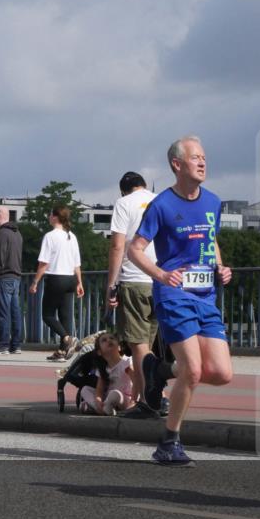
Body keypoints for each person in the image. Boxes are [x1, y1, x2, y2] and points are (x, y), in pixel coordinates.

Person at [128, 135, 233, 466]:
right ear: (177, 164)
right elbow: (134, 250)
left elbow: (211, 241)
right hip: (174, 295)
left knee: (221, 372)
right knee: (193, 371)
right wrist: (161, 275)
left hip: (206, 296)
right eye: (195, 157)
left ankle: (159, 370)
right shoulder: (161, 205)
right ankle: (168, 442)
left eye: (204, 157)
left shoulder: (213, 201)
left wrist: (220, 267)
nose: (202, 162)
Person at [106, 172, 158, 411]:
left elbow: (118, 246)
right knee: (149, 345)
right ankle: (145, 395)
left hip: (134, 279)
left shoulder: (123, 203)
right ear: (144, 185)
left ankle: (149, 399)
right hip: (161, 279)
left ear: (123, 190)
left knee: (139, 346)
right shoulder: (161, 200)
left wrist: (112, 284)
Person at [30, 206, 84, 361]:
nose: (48, 217)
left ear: (55, 217)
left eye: (50, 214)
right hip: (70, 279)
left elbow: (44, 263)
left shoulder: (50, 236)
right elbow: (76, 263)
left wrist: (35, 282)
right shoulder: (71, 236)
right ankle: (62, 351)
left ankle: (67, 338)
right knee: (64, 315)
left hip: (55, 278)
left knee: (47, 315)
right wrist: (79, 282)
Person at [0, 206, 24, 355]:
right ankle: (15, 345)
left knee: (3, 313)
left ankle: (2, 345)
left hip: (3, 277)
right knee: (15, 312)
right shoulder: (17, 233)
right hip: (16, 277)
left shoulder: (2, 233)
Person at [79, 332, 136, 416]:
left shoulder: (126, 362)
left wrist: (133, 402)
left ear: (119, 347)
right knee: (85, 389)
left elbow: (136, 382)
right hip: (108, 398)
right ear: (99, 352)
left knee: (114, 394)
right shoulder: (103, 368)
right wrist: (98, 401)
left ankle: (98, 409)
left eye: (112, 338)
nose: (109, 340)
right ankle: (103, 408)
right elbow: (99, 390)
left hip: (125, 398)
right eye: (104, 340)